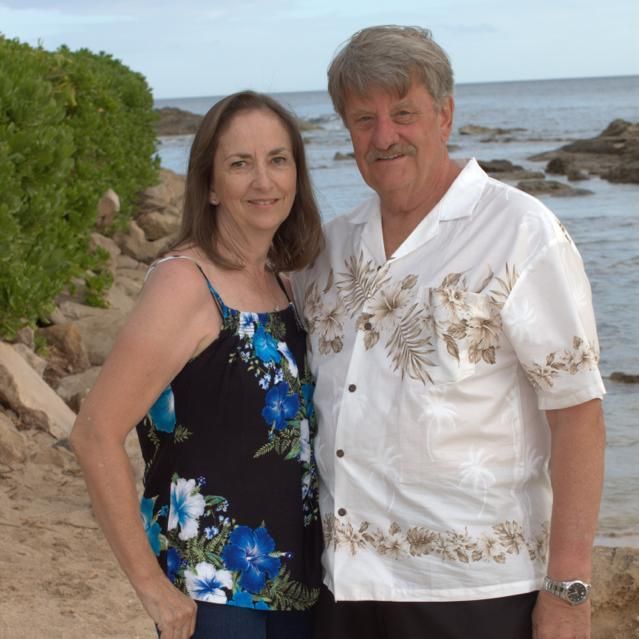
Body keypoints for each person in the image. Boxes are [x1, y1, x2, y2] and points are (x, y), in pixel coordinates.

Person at [290, 25, 606, 639]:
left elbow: (578, 414)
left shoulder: (520, 233)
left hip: (477, 593)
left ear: (444, 115)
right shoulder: (328, 250)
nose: (384, 136)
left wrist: (568, 588)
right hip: (343, 586)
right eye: (363, 119)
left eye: (403, 113)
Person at [70, 90, 324, 639]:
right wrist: (151, 587)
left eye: (278, 160)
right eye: (240, 164)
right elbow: (94, 434)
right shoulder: (184, 283)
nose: (264, 180)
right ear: (209, 185)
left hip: (298, 585)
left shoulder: (284, 282)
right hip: (212, 593)